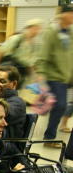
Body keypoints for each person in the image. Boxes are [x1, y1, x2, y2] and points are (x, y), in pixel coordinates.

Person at [36, 4, 73, 146]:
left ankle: (48, 135)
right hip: (54, 76)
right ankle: (49, 138)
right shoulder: (52, 31)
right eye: (71, 14)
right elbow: (44, 53)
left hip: (65, 76)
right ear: (63, 14)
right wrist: (41, 74)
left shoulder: (69, 32)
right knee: (60, 106)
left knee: (54, 106)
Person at [0, 18, 43, 84]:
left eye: (39, 28)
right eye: (36, 28)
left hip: (23, 74)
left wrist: (37, 75)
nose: (38, 31)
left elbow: (31, 63)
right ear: (30, 28)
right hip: (10, 72)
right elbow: (0, 51)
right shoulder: (17, 39)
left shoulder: (35, 44)